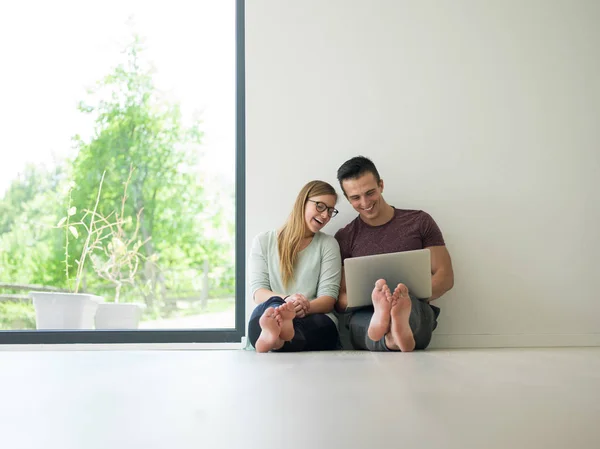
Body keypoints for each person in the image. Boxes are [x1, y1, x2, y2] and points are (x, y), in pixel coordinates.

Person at [334, 156, 454, 352]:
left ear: (381, 185)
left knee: (410, 309)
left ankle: (394, 329)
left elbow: (445, 276)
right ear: (347, 199)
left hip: (413, 306)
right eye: (355, 198)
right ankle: (393, 336)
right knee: (361, 322)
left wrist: (399, 298)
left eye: (370, 193)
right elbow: (340, 299)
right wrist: (379, 301)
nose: (365, 203)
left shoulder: (419, 222)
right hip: (367, 312)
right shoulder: (345, 237)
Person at [248, 180, 342, 353]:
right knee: (264, 312)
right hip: (275, 308)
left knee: (324, 326)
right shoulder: (263, 241)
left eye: (330, 210)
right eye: (320, 206)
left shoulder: (328, 244)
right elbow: (259, 292)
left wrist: (303, 308)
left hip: (312, 314)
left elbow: (328, 299)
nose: (325, 216)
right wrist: (286, 302)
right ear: (303, 201)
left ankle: (276, 341)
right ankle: (280, 331)